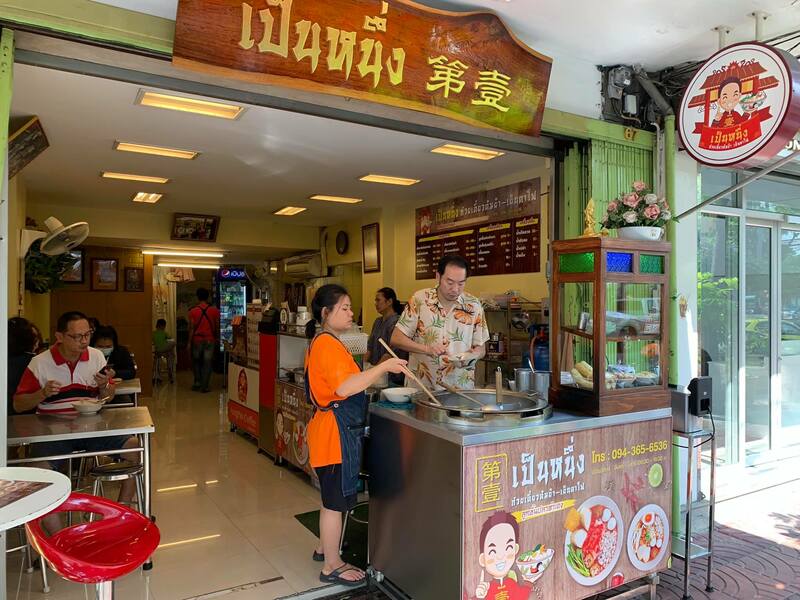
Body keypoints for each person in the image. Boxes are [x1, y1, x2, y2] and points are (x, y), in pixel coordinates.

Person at [304, 284, 406, 586]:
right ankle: (332, 566)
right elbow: (346, 387)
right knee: (335, 502)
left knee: (330, 496)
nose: (351, 312)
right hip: (334, 435)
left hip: (329, 431)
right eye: (344, 308)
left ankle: (326, 546)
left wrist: (375, 369)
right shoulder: (326, 344)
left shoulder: (328, 341)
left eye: (351, 307)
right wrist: (384, 366)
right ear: (326, 313)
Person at [14, 311, 140, 530]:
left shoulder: (96, 357)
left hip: (92, 427)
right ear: (60, 336)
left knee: (135, 448)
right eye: (77, 336)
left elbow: (106, 396)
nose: (84, 341)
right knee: (39, 473)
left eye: (87, 335)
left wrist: (104, 387)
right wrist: (42, 394)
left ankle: (121, 511)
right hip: (51, 431)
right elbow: (18, 404)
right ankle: (60, 540)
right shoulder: (40, 363)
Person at [391, 255, 489, 390]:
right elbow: (396, 338)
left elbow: (481, 348)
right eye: (450, 282)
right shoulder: (419, 300)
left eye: (461, 283)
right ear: (438, 277)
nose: (455, 289)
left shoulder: (474, 305)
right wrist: (427, 349)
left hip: (460, 388)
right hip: (422, 387)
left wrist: (472, 356)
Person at [365, 287, 408, 386]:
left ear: (389, 302)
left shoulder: (397, 323)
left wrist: (374, 372)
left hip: (391, 376)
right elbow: (369, 348)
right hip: (377, 372)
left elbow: (389, 353)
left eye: (378, 300)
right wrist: (362, 367)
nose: (375, 303)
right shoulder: (377, 322)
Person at [187, 288, 220, 392]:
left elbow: (191, 328)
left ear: (197, 297)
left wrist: (189, 342)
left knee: (196, 361)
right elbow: (217, 326)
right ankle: (205, 386)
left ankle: (197, 382)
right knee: (207, 362)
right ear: (208, 297)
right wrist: (218, 338)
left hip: (197, 340)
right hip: (210, 340)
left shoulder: (192, 311)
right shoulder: (214, 310)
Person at [8, 317, 42, 415]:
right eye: (35, 338)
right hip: (27, 417)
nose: (38, 342)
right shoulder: (35, 362)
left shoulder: (5, 361)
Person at [152, 318, 176, 383]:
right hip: (165, 350)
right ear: (163, 326)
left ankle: (157, 376)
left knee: (158, 358)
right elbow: (170, 339)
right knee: (171, 352)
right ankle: (170, 372)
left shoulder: (153, 333)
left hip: (157, 351)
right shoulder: (164, 333)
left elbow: (152, 343)